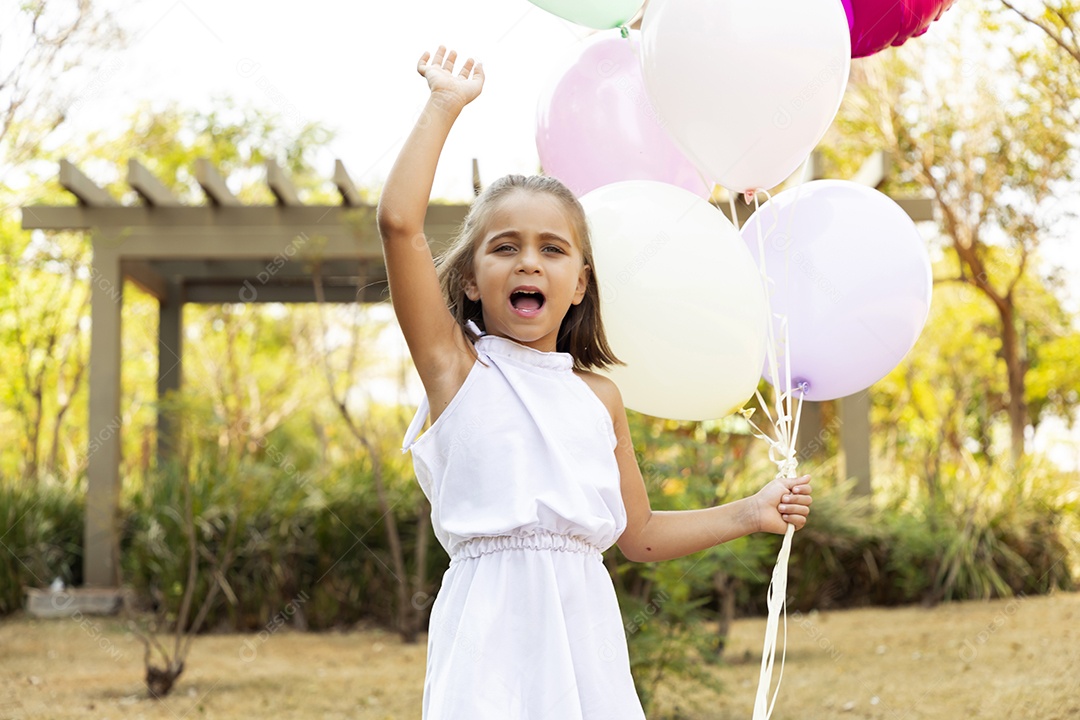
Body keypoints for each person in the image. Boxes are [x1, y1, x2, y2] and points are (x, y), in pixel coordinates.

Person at [377, 45, 813, 720]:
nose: (529, 261)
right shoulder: (457, 371)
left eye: (552, 249)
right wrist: (443, 106)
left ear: (579, 284)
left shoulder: (598, 397)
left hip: (586, 646)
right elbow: (399, 225)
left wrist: (750, 512)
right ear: (470, 279)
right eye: (504, 247)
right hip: (486, 645)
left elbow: (635, 535)